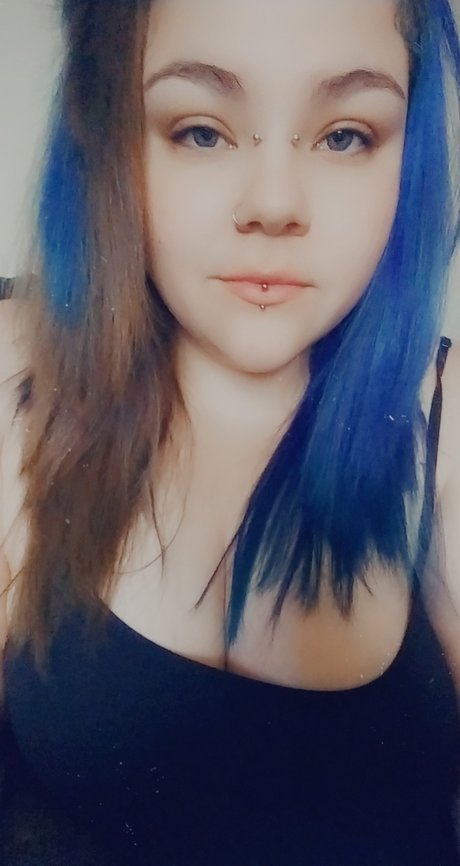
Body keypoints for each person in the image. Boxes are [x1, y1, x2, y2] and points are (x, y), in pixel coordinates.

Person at [1, 0, 460, 863]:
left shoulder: (445, 416)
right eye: (202, 131)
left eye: (346, 136)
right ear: (110, 140)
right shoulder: (26, 377)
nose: (274, 203)